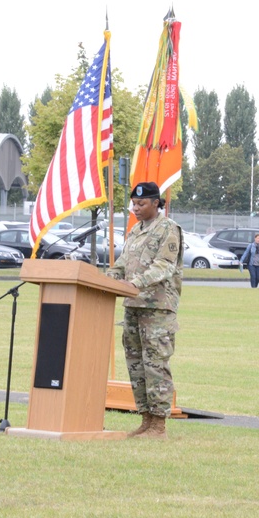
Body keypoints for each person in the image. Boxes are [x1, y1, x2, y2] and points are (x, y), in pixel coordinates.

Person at [106, 182, 184, 440]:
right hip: (133, 306)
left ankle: (159, 425)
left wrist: (134, 283)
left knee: (155, 365)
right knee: (136, 365)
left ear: (155, 203)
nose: (136, 208)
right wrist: (106, 279)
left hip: (157, 308)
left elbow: (164, 266)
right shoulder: (135, 231)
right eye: (134, 204)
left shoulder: (168, 229)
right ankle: (146, 419)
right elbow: (122, 265)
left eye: (141, 204)